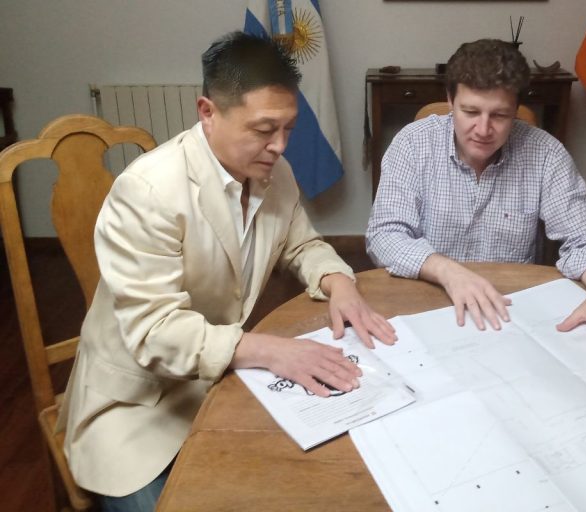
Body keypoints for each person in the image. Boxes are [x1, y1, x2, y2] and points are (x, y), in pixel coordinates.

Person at [58, 31, 396, 511]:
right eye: (263, 129)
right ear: (207, 112)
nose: (279, 146)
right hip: (137, 406)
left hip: (219, 380)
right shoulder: (148, 191)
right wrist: (271, 350)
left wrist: (339, 283)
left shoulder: (274, 172)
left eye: (289, 128)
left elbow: (302, 244)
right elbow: (154, 331)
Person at [366, 38, 586, 365]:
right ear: (450, 100)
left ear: (516, 110)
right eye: (470, 112)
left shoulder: (546, 154)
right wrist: (448, 271)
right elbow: (384, 236)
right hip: (428, 303)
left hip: (510, 314)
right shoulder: (412, 144)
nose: (483, 129)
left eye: (499, 115)